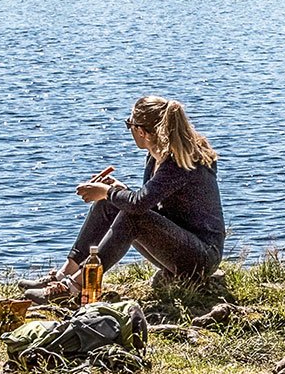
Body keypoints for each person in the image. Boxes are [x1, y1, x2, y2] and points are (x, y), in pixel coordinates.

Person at [42, 95, 225, 294]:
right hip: (181, 246)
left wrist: (108, 191)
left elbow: (139, 207)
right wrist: (115, 193)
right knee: (110, 204)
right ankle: (64, 274)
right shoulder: (156, 156)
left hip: (202, 257)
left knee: (130, 214)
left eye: (129, 125)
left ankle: (76, 287)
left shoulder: (178, 162)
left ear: (140, 130)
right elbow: (149, 205)